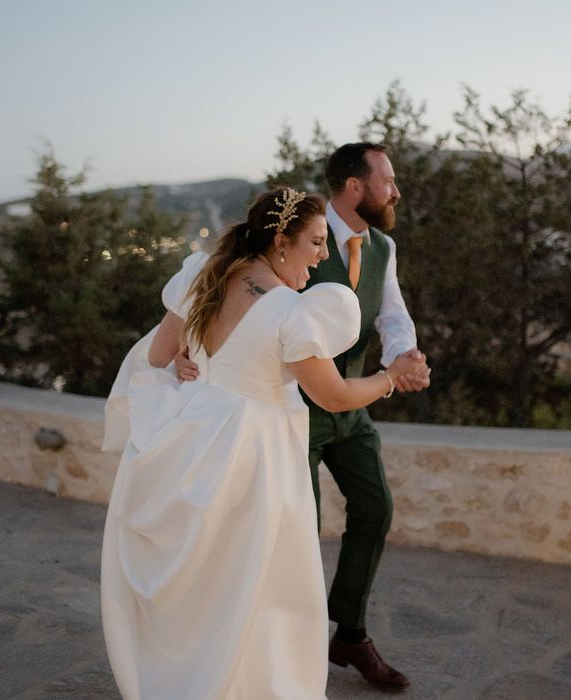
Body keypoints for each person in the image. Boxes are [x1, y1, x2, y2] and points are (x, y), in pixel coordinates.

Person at [100, 187, 429, 699]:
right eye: (316, 243)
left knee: (211, 583)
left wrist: (195, 353)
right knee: (259, 583)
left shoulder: (204, 275)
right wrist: (391, 378)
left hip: (196, 442)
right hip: (256, 457)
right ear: (281, 242)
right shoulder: (288, 312)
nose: (323, 256)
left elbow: (160, 355)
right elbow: (336, 395)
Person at [177, 144, 426, 692]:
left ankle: (350, 632)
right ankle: (292, 643)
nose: (395, 190)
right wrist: (184, 349)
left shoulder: (382, 246)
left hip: (351, 402)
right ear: (355, 186)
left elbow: (393, 313)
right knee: (298, 533)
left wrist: (404, 361)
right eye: (387, 179)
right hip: (294, 410)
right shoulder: (296, 242)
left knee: (375, 508)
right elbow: (224, 304)